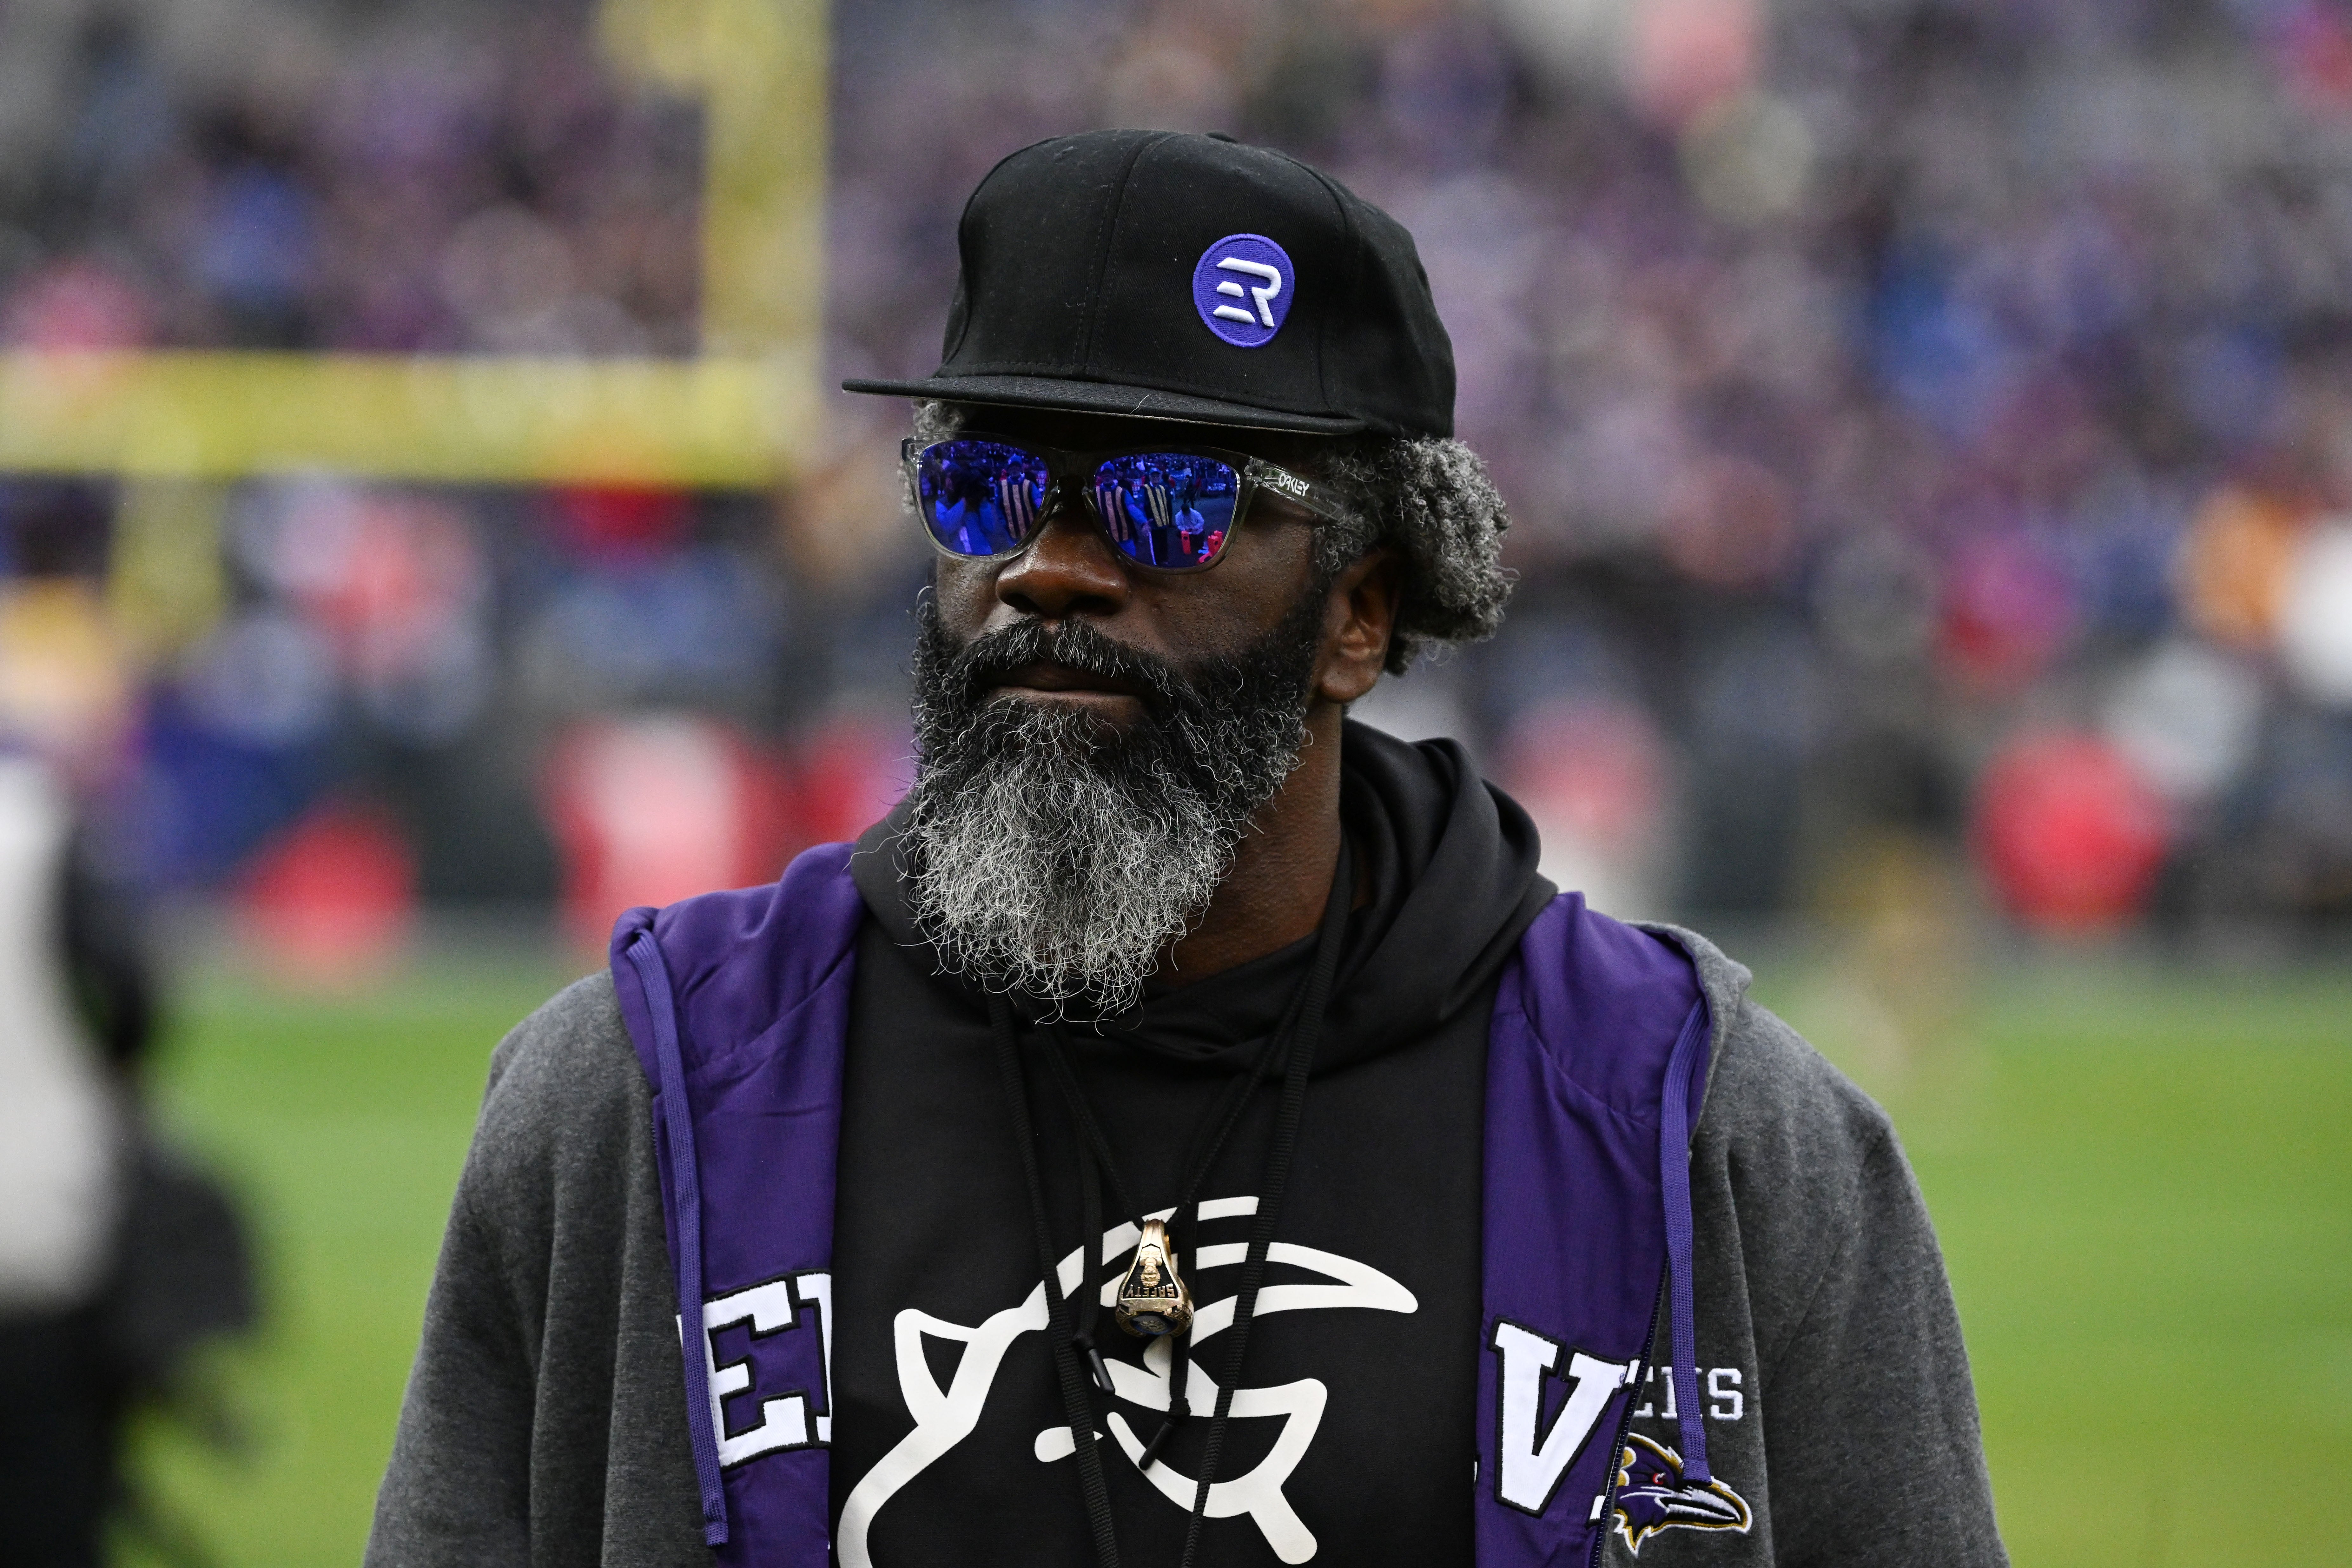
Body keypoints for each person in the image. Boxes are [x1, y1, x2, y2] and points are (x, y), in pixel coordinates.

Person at [367, 130, 2006, 1568]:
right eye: (988, 487)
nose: (1048, 570)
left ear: (1358, 614)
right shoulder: (641, 1097)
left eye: (1166, 503)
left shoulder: (1702, 1125)